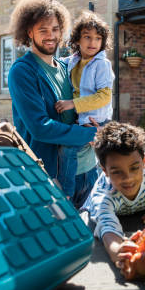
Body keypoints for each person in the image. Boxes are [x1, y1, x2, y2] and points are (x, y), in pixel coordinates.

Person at [7, 0, 99, 208]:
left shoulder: (67, 67)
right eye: (43, 30)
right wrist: (91, 133)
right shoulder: (22, 71)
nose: (51, 35)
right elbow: (40, 127)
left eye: (55, 29)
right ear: (29, 32)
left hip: (88, 171)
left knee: (93, 236)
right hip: (52, 178)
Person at [81, 121, 145, 266]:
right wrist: (117, 251)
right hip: (92, 215)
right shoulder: (104, 195)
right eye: (117, 172)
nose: (128, 178)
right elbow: (107, 225)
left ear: (143, 161)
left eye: (134, 168)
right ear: (104, 171)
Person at [53, 11, 115, 200]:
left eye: (98, 38)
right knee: (82, 155)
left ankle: (66, 195)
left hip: (97, 120)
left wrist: (73, 104)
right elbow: (54, 64)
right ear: (77, 40)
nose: (92, 42)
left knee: (69, 147)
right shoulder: (72, 62)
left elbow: (104, 96)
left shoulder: (101, 64)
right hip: (82, 120)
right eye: (87, 37)